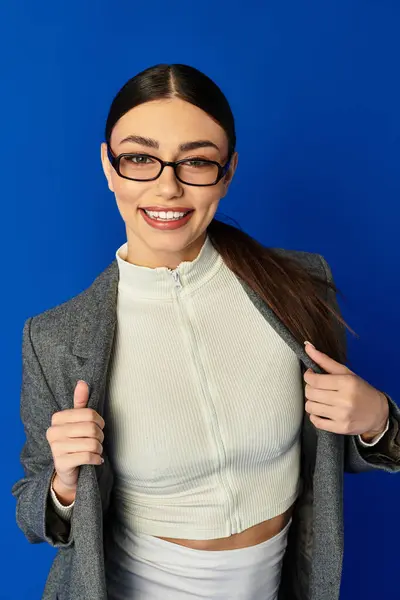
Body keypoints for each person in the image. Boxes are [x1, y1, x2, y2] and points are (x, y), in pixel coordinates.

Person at [12, 64, 400, 600]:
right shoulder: (53, 338)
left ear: (228, 170)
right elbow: (36, 516)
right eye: (140, 158)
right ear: (108, 165)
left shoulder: (300, 284)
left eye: (196, 161)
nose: (167, 187)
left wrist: (378, 420)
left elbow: (332, 450)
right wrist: (62, 487)